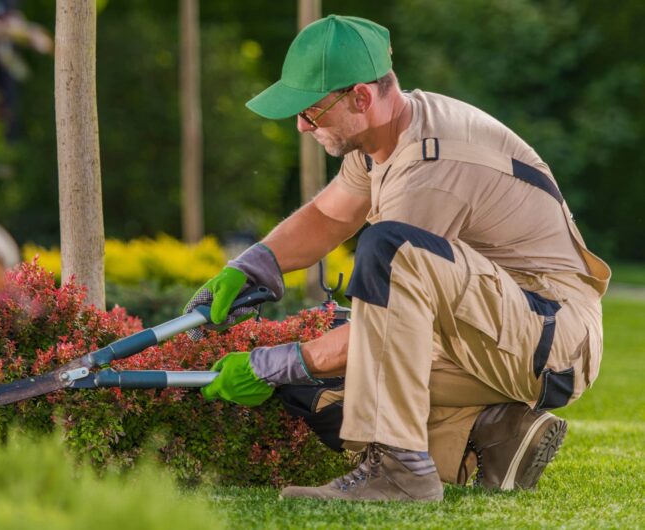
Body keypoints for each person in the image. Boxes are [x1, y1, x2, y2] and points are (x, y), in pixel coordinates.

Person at [185, 15, 610, 502]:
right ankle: (495, 433)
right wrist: (254, 265)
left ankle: (401, 470)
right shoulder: (382, 139)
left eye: (311, 111)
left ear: (361, 97)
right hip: (492, 333)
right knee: (316, 384)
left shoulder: (431, 166)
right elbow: (329, 216)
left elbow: (379, 322)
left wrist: (277, 362)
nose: (301, 125)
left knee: (382, 260)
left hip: (549, 336)